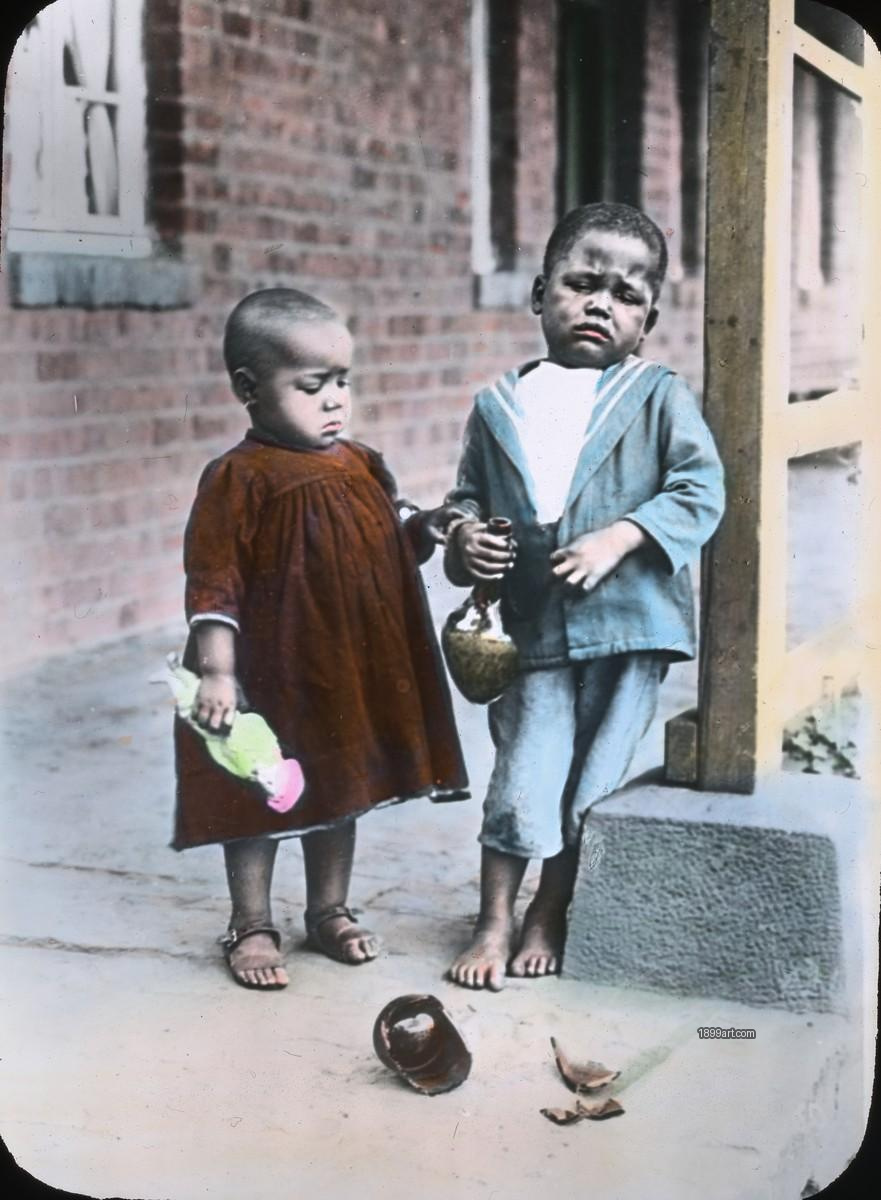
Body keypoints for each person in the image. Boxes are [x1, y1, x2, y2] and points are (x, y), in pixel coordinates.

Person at [444, 202, 725, 990]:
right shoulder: (499, 403)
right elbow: (465, 498)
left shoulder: (657, 396)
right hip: (531, 628)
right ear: (539, 294)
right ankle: (493, 917)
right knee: (523, 774)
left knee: (591, 783)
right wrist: (464, 539)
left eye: (626, 295)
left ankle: (549, 910)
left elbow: (699, 489)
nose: (601, 303)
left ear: (648, 320)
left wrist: (622, 535)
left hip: (627, 627)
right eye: (581, 283)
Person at [173, 287, 468, 990]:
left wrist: (424, 528)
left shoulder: (361, 463)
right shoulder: (237, 478)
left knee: (342, 782)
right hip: (270, 671)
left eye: (342, 382)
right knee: (259, 786)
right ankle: (251, 922)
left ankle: (327, 908)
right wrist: (217, 673)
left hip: (344, 667)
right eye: (312, 386)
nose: (335, 400)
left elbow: (388, 539)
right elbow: (212, 584)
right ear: (249, 389)